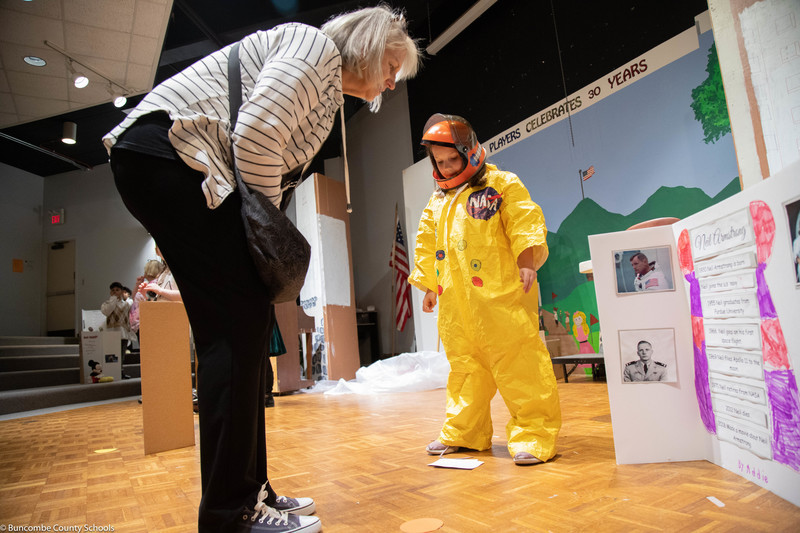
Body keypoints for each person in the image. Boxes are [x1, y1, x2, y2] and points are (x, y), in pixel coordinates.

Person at [103, 6, 420, 532]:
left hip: (172, 163)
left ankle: (250, 491)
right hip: (172, 154)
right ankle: (230, 513)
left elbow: (264, 151)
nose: (391, 82)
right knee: (235, 329)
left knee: (244, 330)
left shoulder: (325, 87)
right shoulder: (315, 47)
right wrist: (264, 239)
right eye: (391, 67)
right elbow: (255, 137)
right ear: (368, 46)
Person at [408, 114, 561, 466]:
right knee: (465, 368)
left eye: (452, 159)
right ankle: (465, 432)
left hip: (501, 298)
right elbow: (427, 244)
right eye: (439, 162)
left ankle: (534, 434)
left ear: (469, 151)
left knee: (519, 364)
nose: (446, 168)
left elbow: (524, 221)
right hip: (456, 305)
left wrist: (526, 261)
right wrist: (429, 286)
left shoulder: (501, 184)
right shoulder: (437, 202)